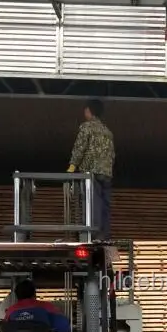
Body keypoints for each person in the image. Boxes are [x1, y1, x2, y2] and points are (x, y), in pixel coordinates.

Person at [67, 98, 114, 239]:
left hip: (91, 172)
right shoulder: (108, 132)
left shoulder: (86, 127)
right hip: (106, 172)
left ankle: (92, 234)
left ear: (88, 111)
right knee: (104, 205)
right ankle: (103, 234)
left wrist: (72, 167)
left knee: (92, 203)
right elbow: (112, 154)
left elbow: (79, 148)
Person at [3, 279, 71, 332]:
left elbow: (4, 331)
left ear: (17, 296)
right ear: (34, 294)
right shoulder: (46, 307)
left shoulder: (11, 311)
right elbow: (63, 324)